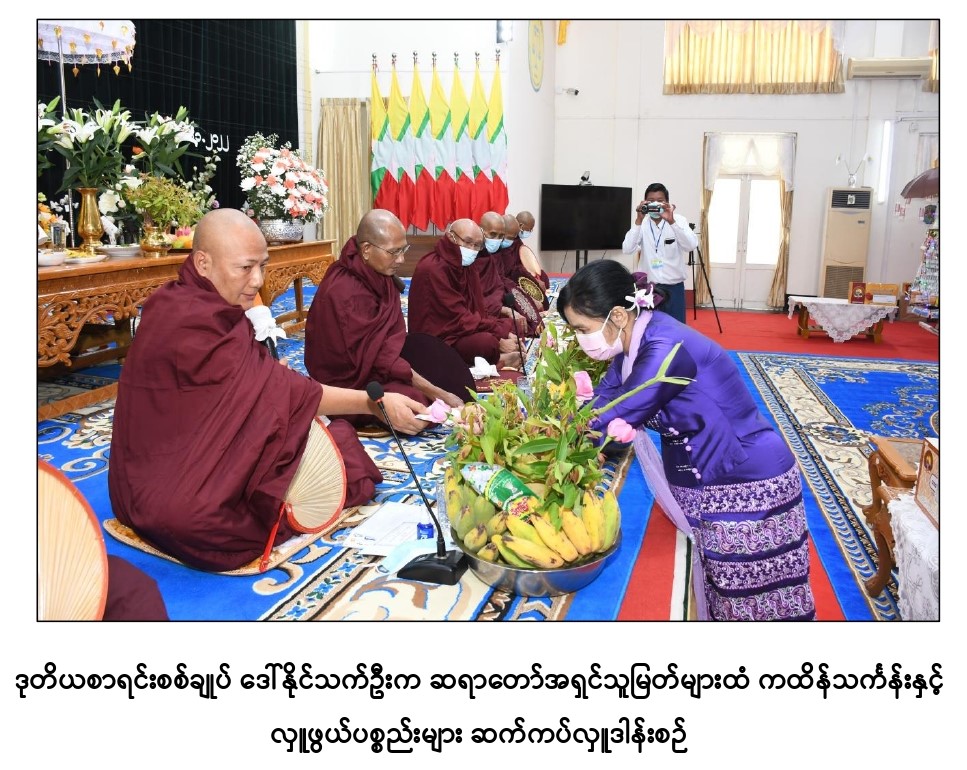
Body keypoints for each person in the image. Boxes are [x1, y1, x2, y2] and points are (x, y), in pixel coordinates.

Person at [109, 208, 427, 573]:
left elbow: (238, 392)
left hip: (131, 491)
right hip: (190, 509)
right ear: (202, 263)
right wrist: (372, 403)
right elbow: (276, 391)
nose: (257, 281)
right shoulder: (193, 319)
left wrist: (265, 384)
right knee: (350, 467)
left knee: (336, 445)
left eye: (262, 266)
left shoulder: (173, 305)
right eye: (245, 268)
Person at [557, 260, 816, 621]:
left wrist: (555, 438)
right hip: (708, 474)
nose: (580, 339)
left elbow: (622, 410)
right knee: (722, 588)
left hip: (745, 477)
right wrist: (560, 422)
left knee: (752, 597)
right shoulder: (633, 345)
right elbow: (605, 397)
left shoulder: (665, 346)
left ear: (617, 315)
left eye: (582, 329)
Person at [304, 209, 464, 425]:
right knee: (415, 401)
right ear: (366, 249)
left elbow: (386, 345)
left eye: (404, 249)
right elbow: (380, 358)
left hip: (376, 365)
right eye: (394, 252)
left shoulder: (376, 271)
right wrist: (437, 392)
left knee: (441, 370)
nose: (401, 259)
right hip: (348, 385)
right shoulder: (347, 292)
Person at [408, 218, 522, 370]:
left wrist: (502, 333)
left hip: (461, 330)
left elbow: (478, 310)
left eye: (477, 245)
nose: (472, 249)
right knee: (487, 343)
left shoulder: (467, 265)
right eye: (468, 242)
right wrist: (498, 339)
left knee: (509, 326)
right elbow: (459, 317)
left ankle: (491, 357)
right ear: (451, 237)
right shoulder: (433, 269)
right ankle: (499, 360)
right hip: (438, 338)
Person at [621, 182, 698, 324]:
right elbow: (627, 249)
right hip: (648, 289)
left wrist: (672, 221)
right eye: (651, 201)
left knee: (675, 328)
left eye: (660, 200)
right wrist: (638, 220)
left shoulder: (679, 220)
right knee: (648, 329)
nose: (655, 204)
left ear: (667, 203)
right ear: (645, 202)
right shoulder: (642, 223)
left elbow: (690, 245)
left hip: (674, 288)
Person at [474, 211, 526, 335]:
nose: (496, 240)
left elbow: (498, 283)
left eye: (500, 236)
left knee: (518, 326)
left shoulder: (492, 254)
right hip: (477, 312)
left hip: (494, 305)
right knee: (492, 338)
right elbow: (472, 297)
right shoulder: (469, 257)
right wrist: (502, 309)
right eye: (493, 234)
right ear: (481, 230)